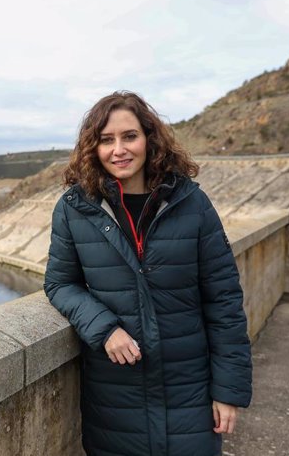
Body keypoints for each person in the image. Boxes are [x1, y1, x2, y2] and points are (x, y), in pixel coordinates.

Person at [43, 91, 252, 456]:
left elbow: (224, 302)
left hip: (190, 391)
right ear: (93, 148)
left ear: (149, 138)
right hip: (115, 400)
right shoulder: (74, 209)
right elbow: (60, 283)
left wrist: (228, 390)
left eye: (129, 136)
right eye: (106, 140)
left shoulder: (192, 203)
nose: (118, 149)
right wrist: (104, 328)